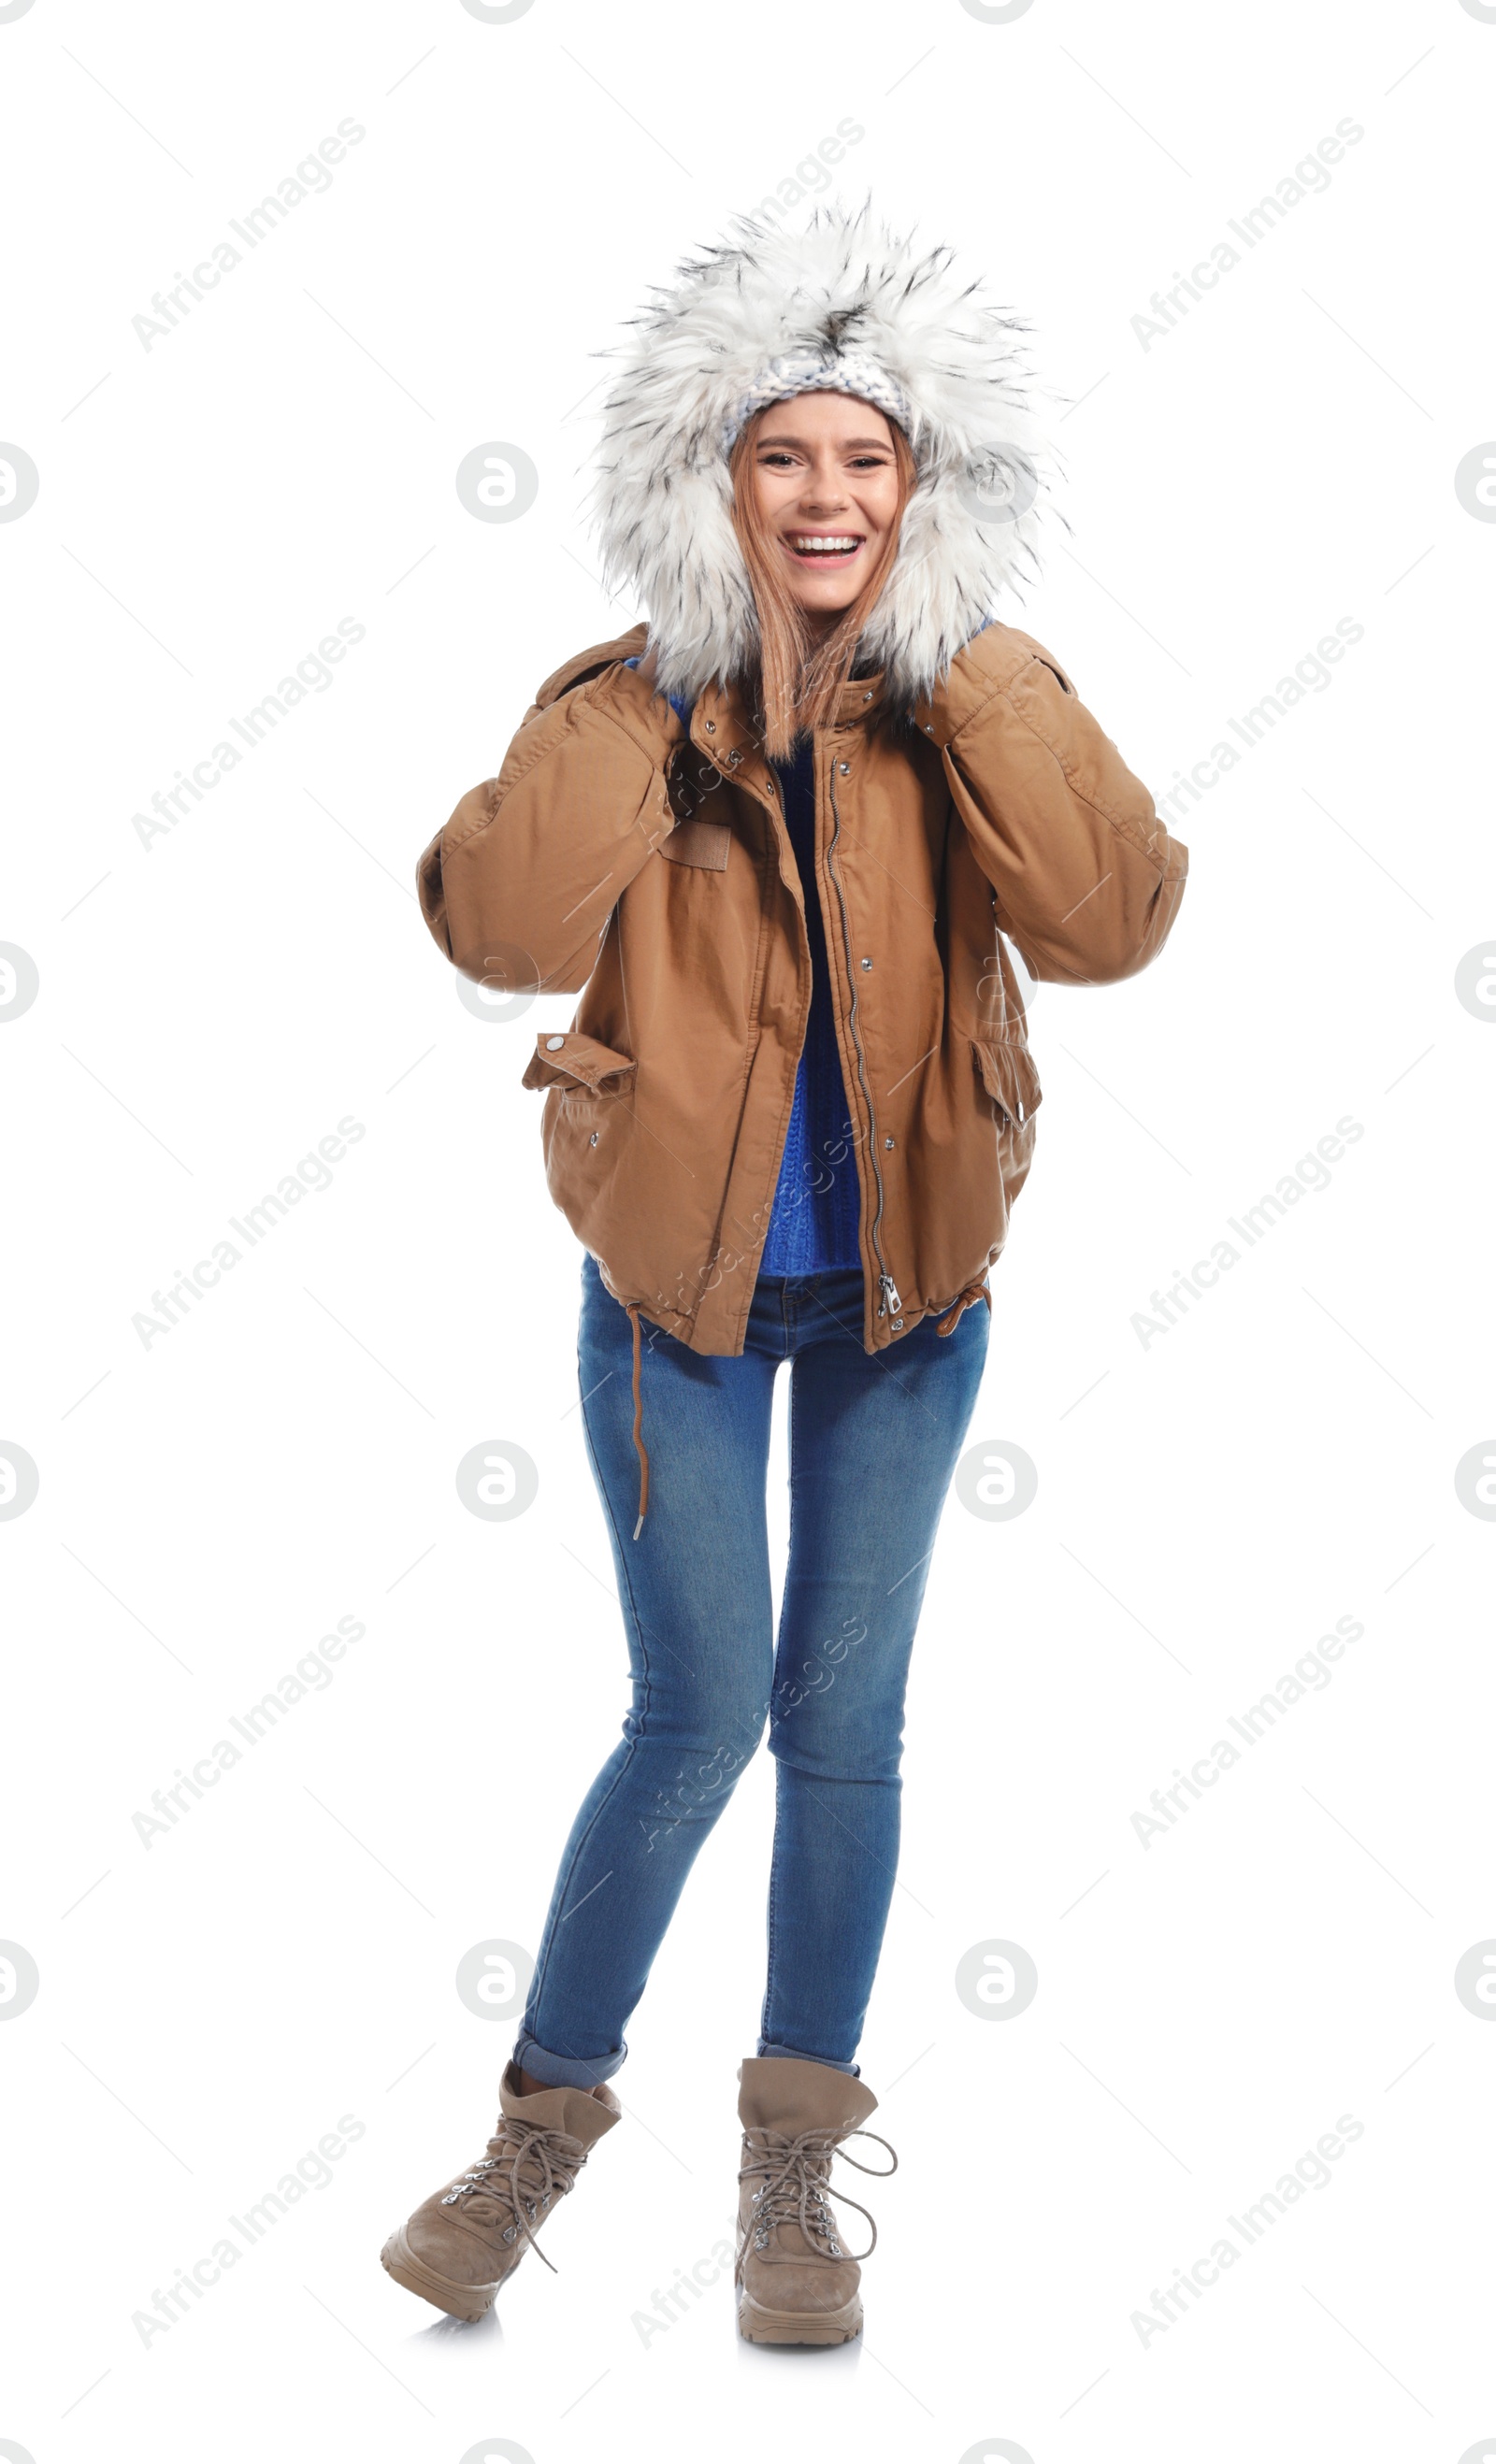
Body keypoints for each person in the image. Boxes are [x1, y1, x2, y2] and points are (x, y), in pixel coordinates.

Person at [381, 203, 1189, 2344]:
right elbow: (496, 925)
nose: (823, 499)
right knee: (693, 1714)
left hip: (906, 1306)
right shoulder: (640, 703)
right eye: (777, 460)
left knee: (845, 1727)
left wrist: (976, 653)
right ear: (708, 483)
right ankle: (538, 2133)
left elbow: (1114, 922)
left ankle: (789, 2181)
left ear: (922, 489)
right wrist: (648, 677)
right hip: (676, 1308)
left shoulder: (970, 704)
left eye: (867, 463)